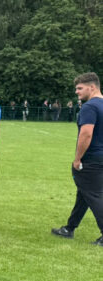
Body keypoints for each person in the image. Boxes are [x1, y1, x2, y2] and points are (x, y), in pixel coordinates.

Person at [51, 72, 103, 246]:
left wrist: (77, 158)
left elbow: (86, 134)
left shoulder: (90, 107)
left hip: (91, 159)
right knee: (84, 193)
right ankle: (69, 228)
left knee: (94, 196)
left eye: (80, 88)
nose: (77, 92)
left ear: (92, 87)